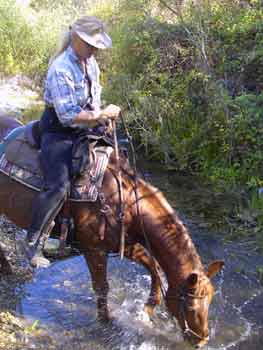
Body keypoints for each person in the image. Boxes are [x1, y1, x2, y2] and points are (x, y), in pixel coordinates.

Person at [25, 16, 121, 268]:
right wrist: (100, 115)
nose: (94, 51)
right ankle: (33, 244)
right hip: (58, 130)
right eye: (91, 45)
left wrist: (102, 119)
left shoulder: (91, 64)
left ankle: (79, 229)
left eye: (96, 47)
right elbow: (67, 115)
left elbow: (94, 98)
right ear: (77, 39)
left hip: (84, 126)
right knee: (57, 186)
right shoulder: (60, 68)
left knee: (109, 169)